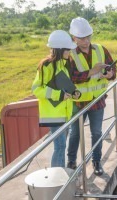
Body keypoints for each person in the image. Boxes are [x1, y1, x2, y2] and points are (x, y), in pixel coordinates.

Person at [67, 17, 117, 175]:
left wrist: (109, 75)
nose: (86, 40)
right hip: (77, 102)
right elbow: (71, 77)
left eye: (88, 36)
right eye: (81, 38)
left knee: (96, 132)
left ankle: (96, 161)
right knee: (75, 133)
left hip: (97, 100)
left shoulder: (101, 49)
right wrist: (92, 72)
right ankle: (71, 162)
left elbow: (113, 71)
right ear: (73, 37)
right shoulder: (69, 55)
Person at [32, 30, 80, 167]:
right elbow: (37, 89)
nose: (70, 52)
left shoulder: (64, 64)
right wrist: (58, 95)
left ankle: (60, 176)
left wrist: (74, 92)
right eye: (67, 50)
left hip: (64, 113)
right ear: (60, 49)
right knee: (60, 147)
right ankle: (58, 180)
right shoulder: (47, 66)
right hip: (53, 114)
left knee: (61, 147)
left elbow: (64, 85)